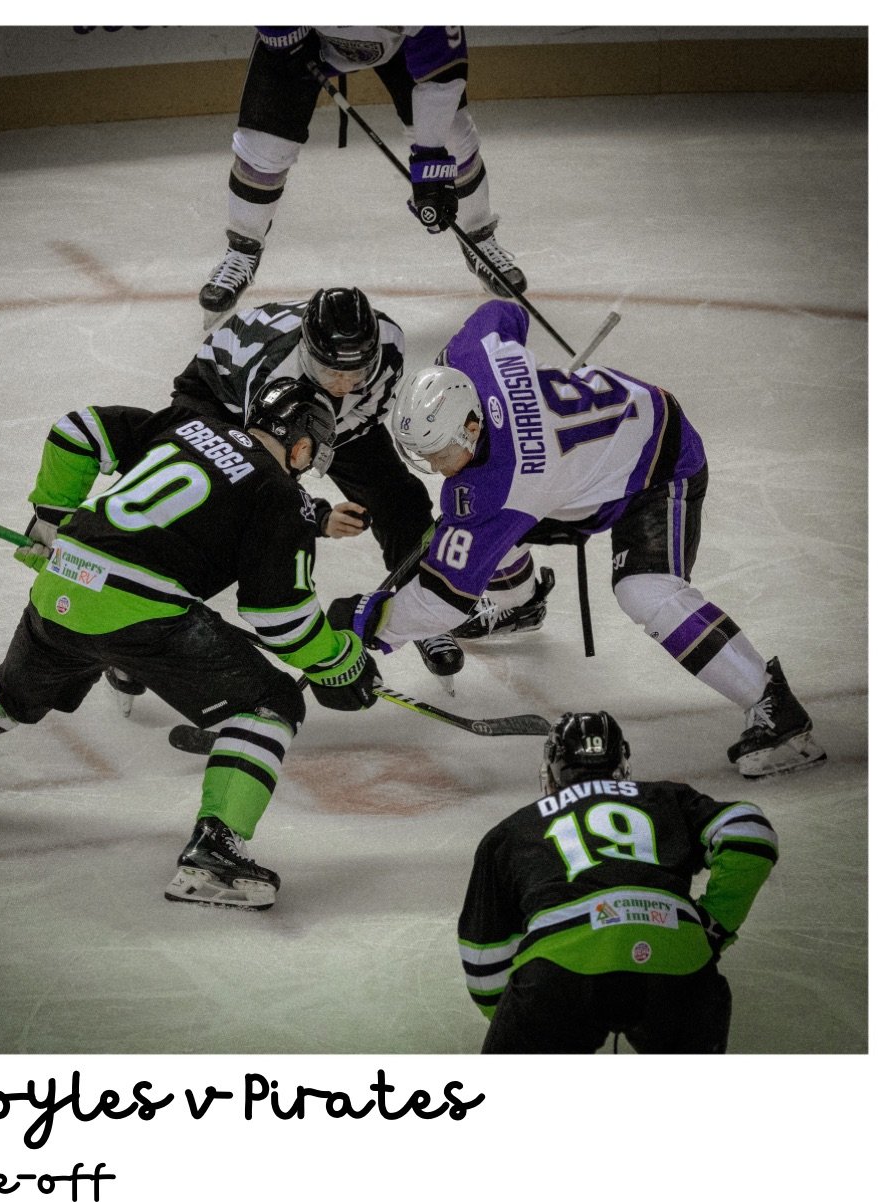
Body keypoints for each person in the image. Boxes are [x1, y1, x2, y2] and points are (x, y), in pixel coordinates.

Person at [0, 378, 379, 911]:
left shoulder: (189, 426)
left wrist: (51, 519)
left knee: (8, 695)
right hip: (141, 614)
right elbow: (281, 619)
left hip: (63, 583)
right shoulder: (280, 494)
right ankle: (215, 854)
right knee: (269, 703)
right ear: (301, 447)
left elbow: (77, 430)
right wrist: (340, 660)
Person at [328, 299, 826, 778]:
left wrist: (371, 628)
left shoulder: (501, 485)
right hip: (590, 458)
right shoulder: (470, 357)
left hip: (658, 461)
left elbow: (442, 599)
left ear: (472, 426)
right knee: (479, 530)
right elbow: (504, 313)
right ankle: (519, 602)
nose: (437, 469)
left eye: (440, 454)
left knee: (645, 591)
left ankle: (772, 705)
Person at [171, 284, 464, 683]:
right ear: (308, 356)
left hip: (318, 414)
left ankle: (422, 612)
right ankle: (152, 617)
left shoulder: (389, 343)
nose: (343, 384)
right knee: (212, 510)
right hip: (221, 399)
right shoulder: (275, 374)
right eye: (331, 372)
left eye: (356, 374)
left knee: (399, 499)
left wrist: (322, 446)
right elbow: (264, 481)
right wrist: (320, 516)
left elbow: (365, 414)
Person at [458, 710, 779, 1053]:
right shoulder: (665, 797)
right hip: (676, 958)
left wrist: (516, 1018)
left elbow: (484, 961)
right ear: (621, 762)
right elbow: (751, 832)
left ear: (551, 770)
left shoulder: (512, 830)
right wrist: (716, 924)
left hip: (559, 972)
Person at [198, 26, 526, 315]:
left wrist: (430, 160)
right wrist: (283, 35)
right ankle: (242, 249)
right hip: (307, 39)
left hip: (400, 45)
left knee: (453, 139)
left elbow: (442, 75)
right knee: (263, 149)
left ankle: (479, 238)